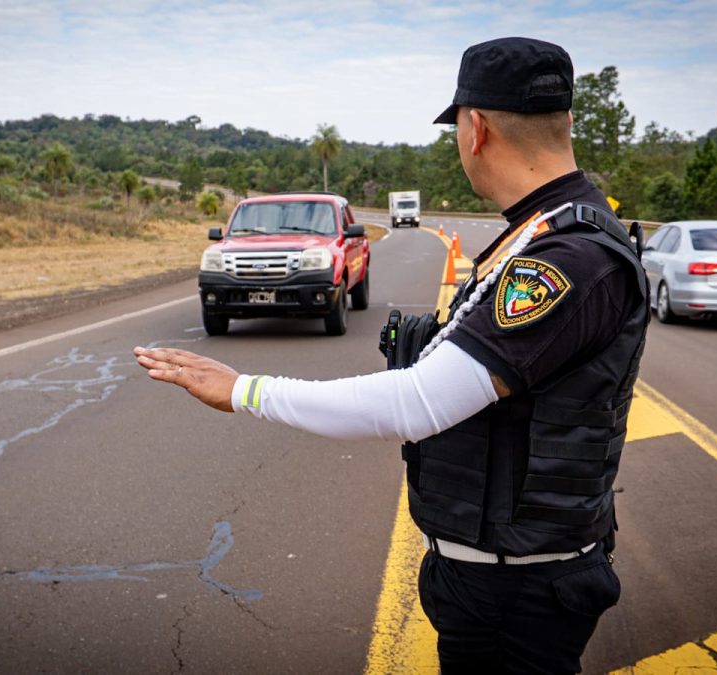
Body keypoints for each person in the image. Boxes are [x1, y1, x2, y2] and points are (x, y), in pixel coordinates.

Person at [135, 36, 649, 674]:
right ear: (566, 120)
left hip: (518, 589)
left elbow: (416, 403)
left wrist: (245, 390)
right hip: (498, 573)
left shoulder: (568, 255)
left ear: (476, 130)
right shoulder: (542, 232)